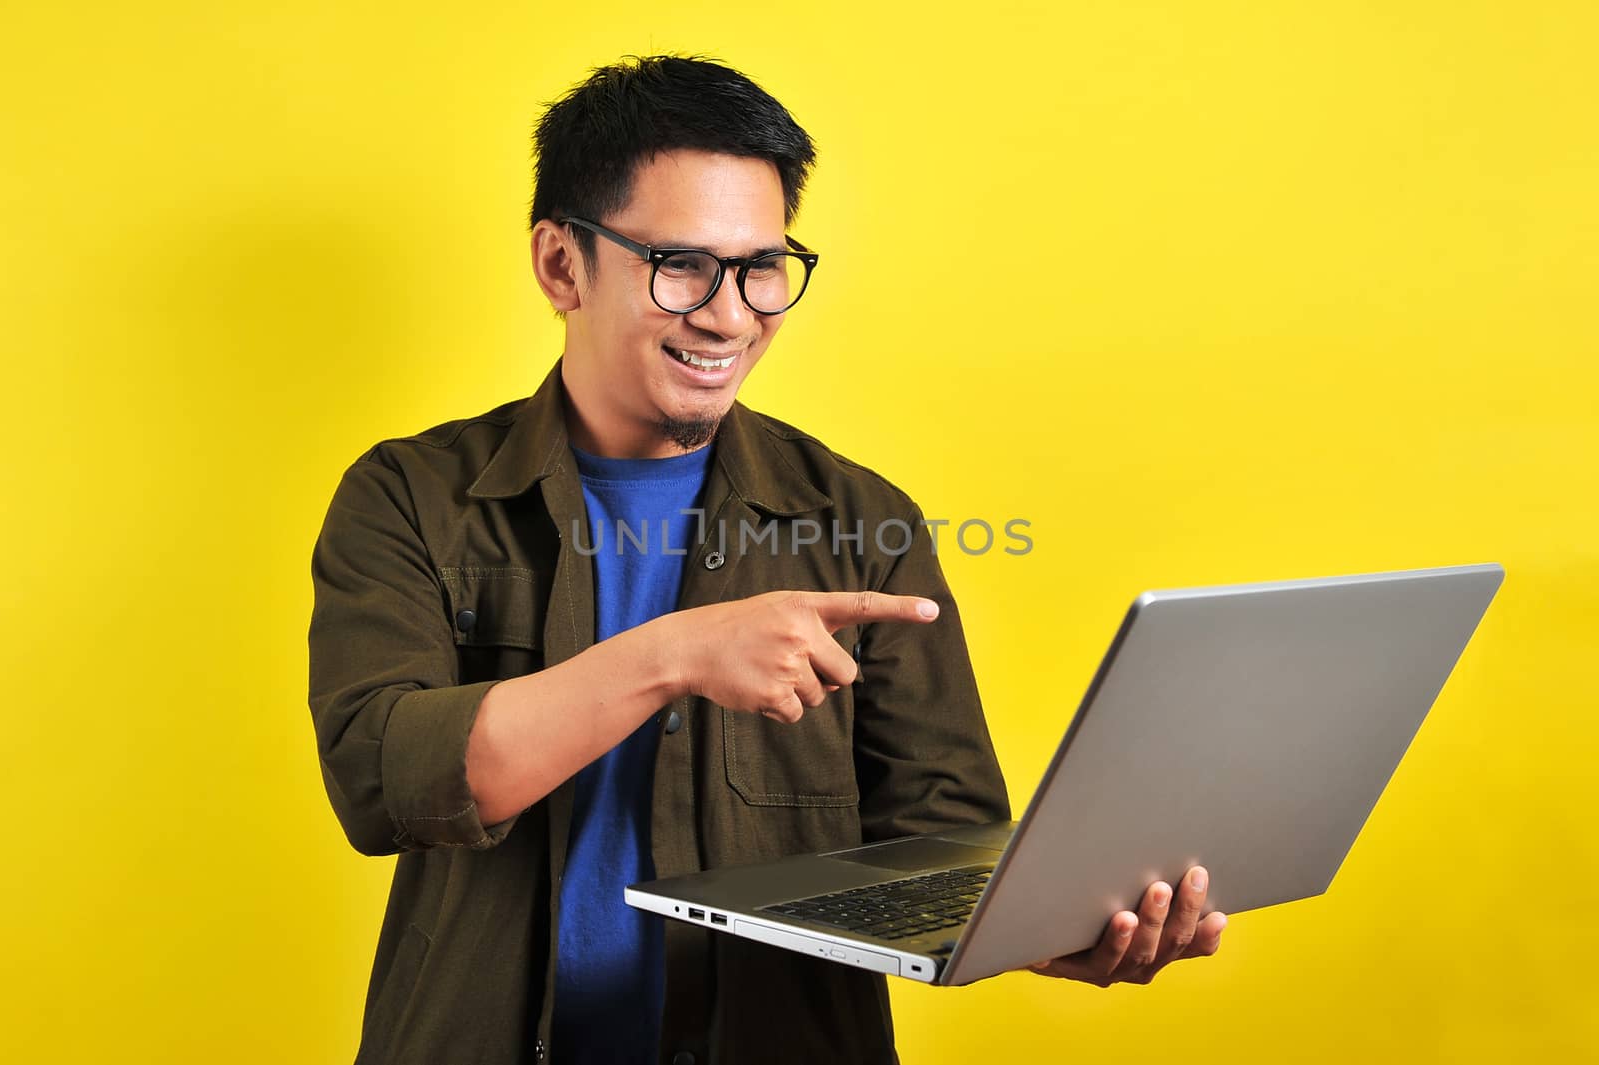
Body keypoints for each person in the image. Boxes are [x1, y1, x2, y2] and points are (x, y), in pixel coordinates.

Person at [307, 54, 1226, 1065]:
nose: (731, 315)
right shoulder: (412, 496)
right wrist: (673, 655)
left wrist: (1059, 934)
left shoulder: (859, 517)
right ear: (562, 265)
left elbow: (940, 836)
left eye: (760, 268)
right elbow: (384, 777)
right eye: (681, 266)